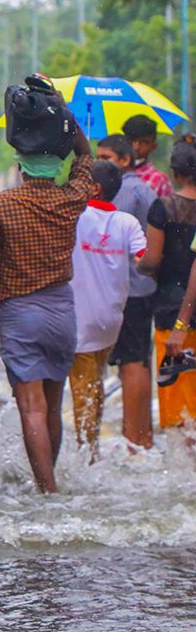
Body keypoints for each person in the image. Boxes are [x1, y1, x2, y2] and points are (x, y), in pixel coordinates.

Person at [0, 111, 94, 494]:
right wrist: (63, 113)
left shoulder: (0, 205)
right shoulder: (71, 197)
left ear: (20, 166)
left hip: (20, 312)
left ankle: (47, 490)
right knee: (52, 407)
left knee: (31, 408)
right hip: (61, 313)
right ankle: (48, 482)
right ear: (55, 166)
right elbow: (87, 159)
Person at [67, 160, 146, 461]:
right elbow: (143, 259)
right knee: (94, 382)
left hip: (81, 321)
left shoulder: (75, 216)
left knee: (83, 391)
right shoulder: (127, 223)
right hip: (111, 321)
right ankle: (92, 446)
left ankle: (87, 455)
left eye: (80, 181)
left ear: (94, 188)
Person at [96, 132, 158, 449]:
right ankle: (142, 436)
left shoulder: (122, 192)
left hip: (127, 290)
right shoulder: (146, 190)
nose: (99, 164)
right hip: (145, 288)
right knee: (140, 361)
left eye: (105, 159)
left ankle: (131, 439)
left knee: (131, 363)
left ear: (124, 160)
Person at [137, 138, 196, 430]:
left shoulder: (163, 208)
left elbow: (151, 260)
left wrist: (141, 265)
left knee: (179, 407)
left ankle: (184, 470)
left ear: (175, 172)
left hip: (173, 315)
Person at [123, 114, 173, 198]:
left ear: (153, 146)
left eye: (143, 143)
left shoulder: (159, 179)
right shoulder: (116, 174)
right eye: (131, 141)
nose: (136, 147)